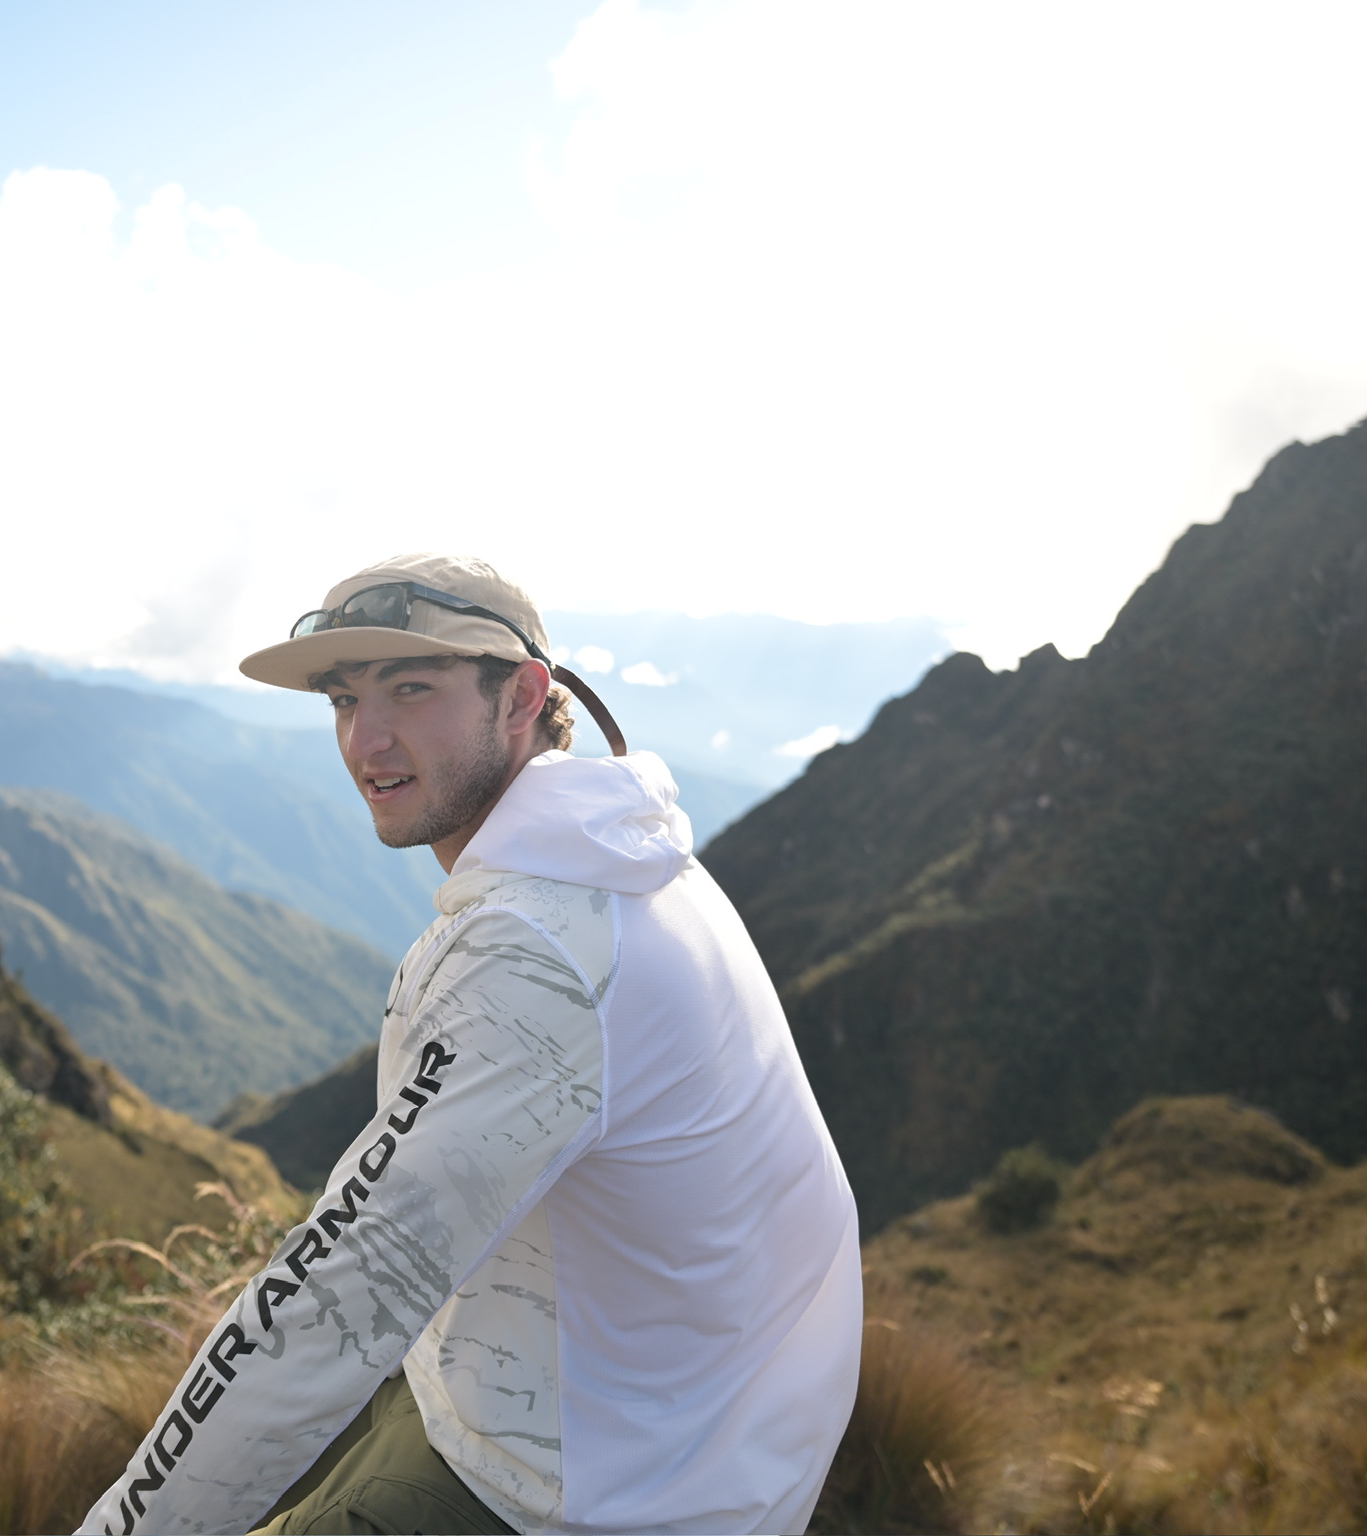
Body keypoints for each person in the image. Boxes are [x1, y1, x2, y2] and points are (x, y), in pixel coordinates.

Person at [77, 554, 861, 1536]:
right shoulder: (633, 854)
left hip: (581, 1500)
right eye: (342, 698)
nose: (367, 737)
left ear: (524, 695)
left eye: (412, 688)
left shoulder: (533, 960)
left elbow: (334, 1299)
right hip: (698, 1440)